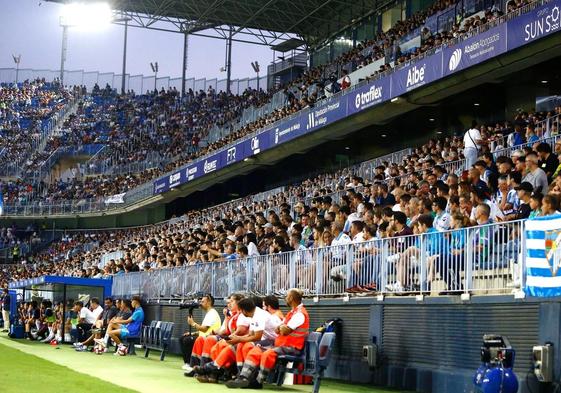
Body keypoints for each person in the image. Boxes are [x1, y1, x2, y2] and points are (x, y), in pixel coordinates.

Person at [226, 289, 309, 389]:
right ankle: (243, 377)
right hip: (281, 345)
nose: (285, 299)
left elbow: (284, 331)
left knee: (268, 353)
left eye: (287, 296)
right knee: (256, 349)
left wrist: (282, 328)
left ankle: (258, 381)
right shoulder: (292, 312)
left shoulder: (299, 314)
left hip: (292, 347)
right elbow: (279, 329)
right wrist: (281, 328)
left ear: (291, 298)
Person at [181, 294, 221, 370]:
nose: (200, 304)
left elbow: (204, 329)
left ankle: (192, 364)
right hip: (203, 336)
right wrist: (193, 333)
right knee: (183, 337)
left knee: (187, 340)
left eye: (202, 302)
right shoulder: (209, 313)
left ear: (209, 302)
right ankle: (188, 362)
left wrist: (193, 323)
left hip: (207, 338)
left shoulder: (212, 314)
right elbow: (204, 330)